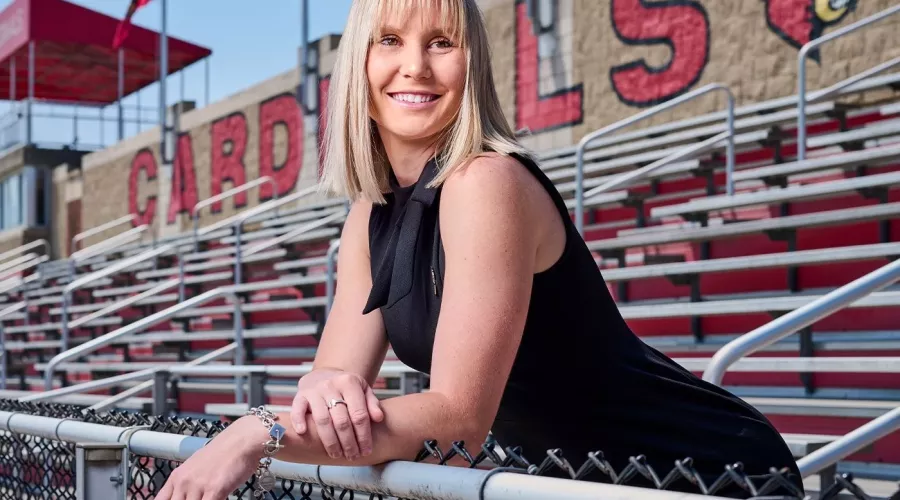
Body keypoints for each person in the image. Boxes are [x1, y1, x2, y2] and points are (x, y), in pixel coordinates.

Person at [157, 0, 804, 498]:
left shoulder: (485, 182)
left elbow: (458, 418)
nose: (415, 65)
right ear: (359, 61)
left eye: (442, 42)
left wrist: (256, 432)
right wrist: (319, 385)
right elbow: (335, 402)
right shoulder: (370, 211)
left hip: (702, 473)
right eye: (390, 40)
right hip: (577, 480)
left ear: (472, 64)